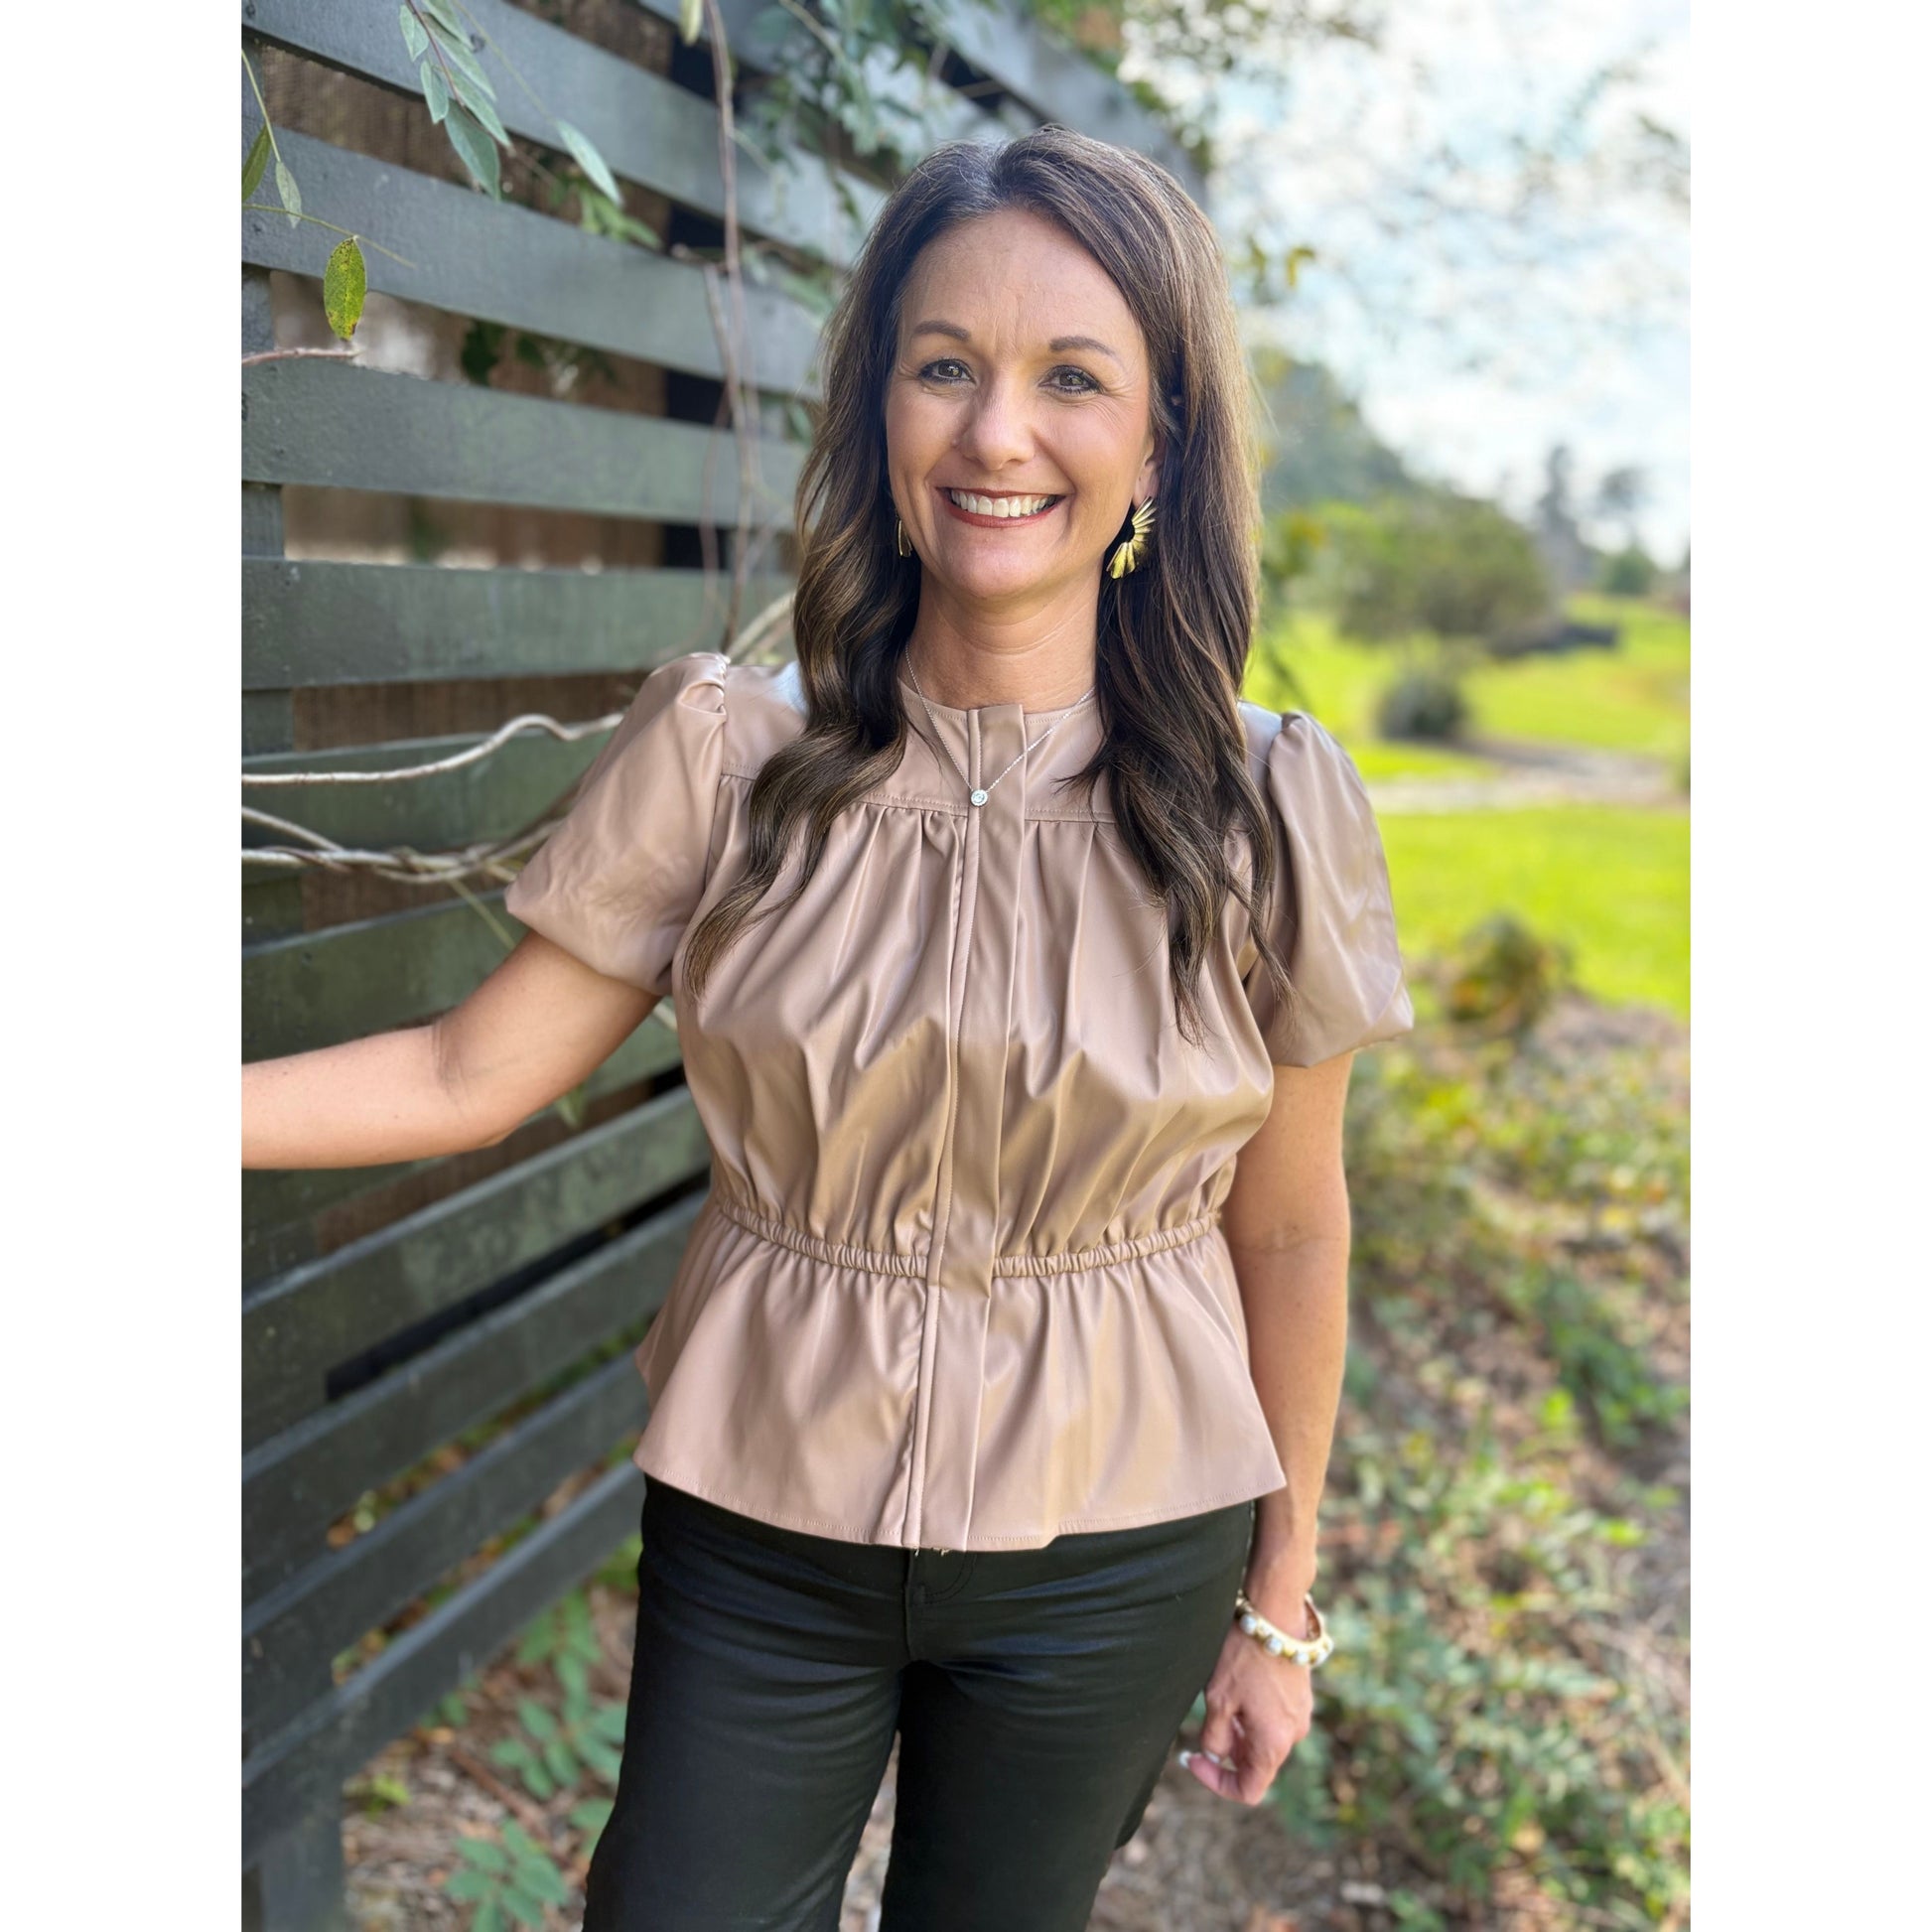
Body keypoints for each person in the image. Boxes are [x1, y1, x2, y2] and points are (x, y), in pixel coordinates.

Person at [243, 124, 1414, 1932]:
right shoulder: (727, 754)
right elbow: (468, 1074)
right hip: (766, 1530)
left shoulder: (1262, 803)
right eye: (944, 367)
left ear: (1159, 441)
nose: (996, 434)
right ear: (881, 406)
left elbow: (1291, 1218)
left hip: (1119, 1551)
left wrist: (1280, 1592)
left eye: (1069, 378)